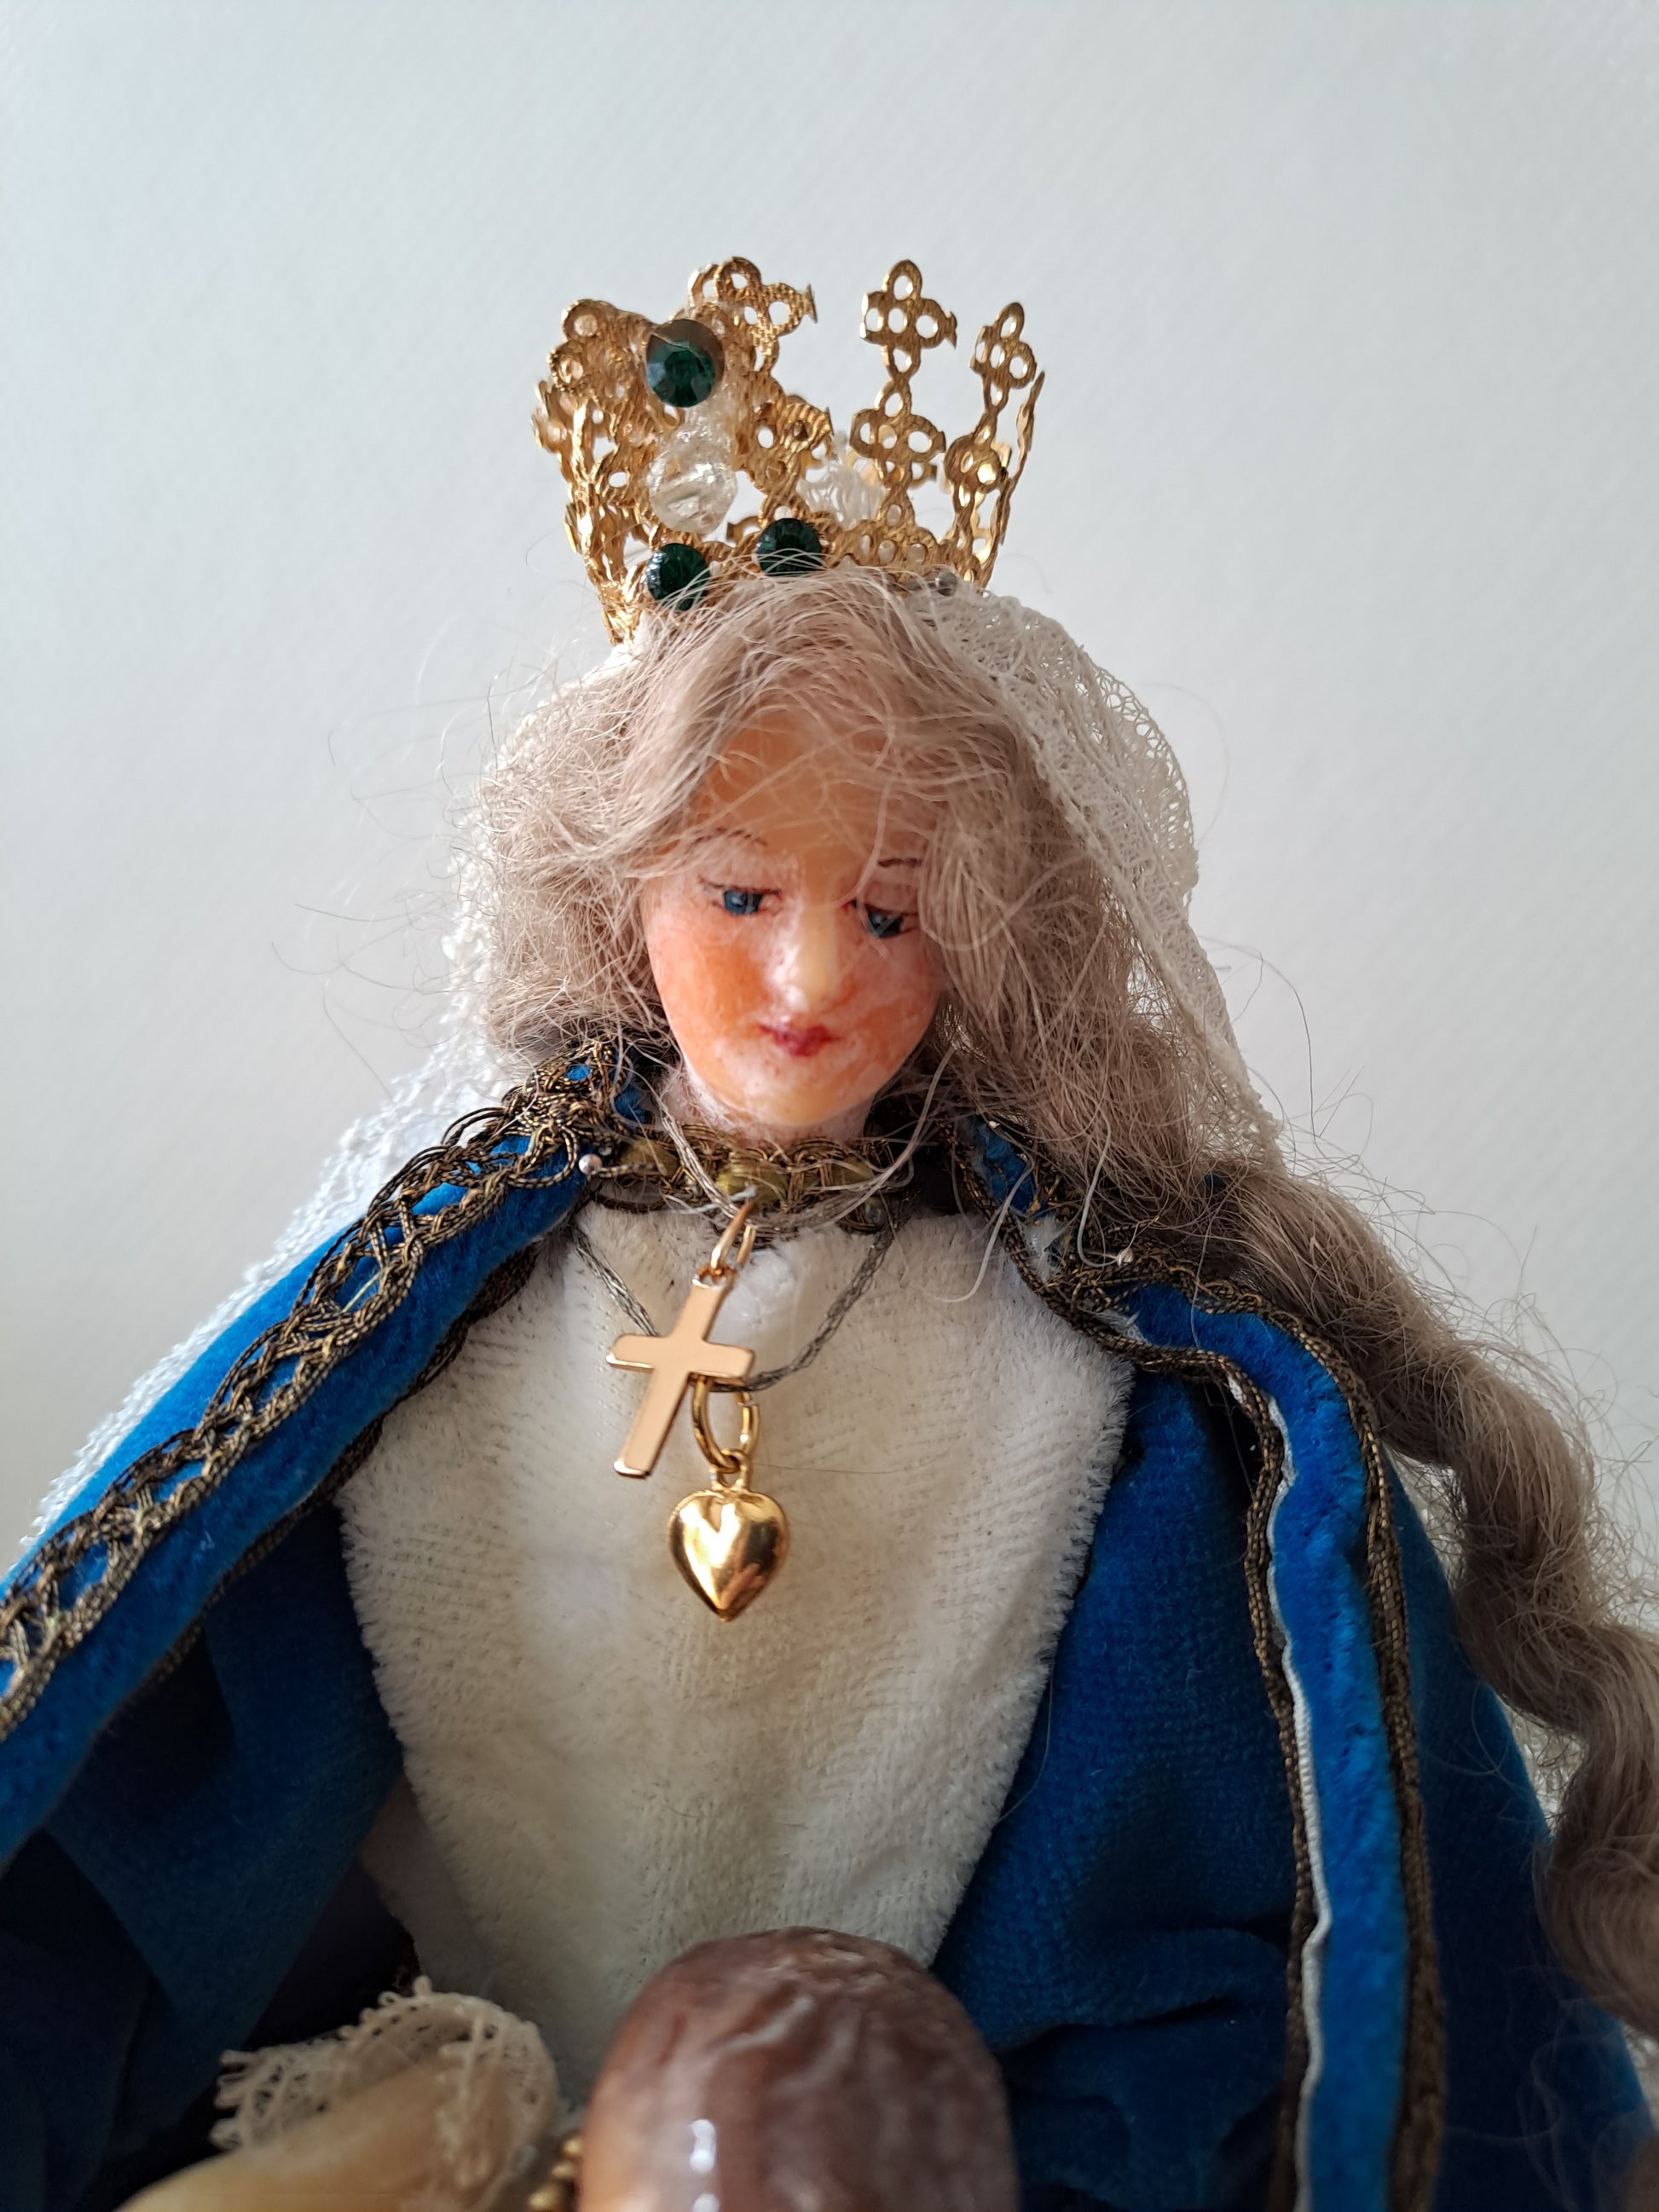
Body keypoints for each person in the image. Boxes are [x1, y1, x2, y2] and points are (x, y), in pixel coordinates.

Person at [2, 259, 1653, 2212]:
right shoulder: (438, 1309)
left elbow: (1161, 1864)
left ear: (984, 931)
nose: (806, 981)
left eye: (886, 911)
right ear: (617, 892)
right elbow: (200, 1764)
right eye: (737, 893)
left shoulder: (1075, 1380)